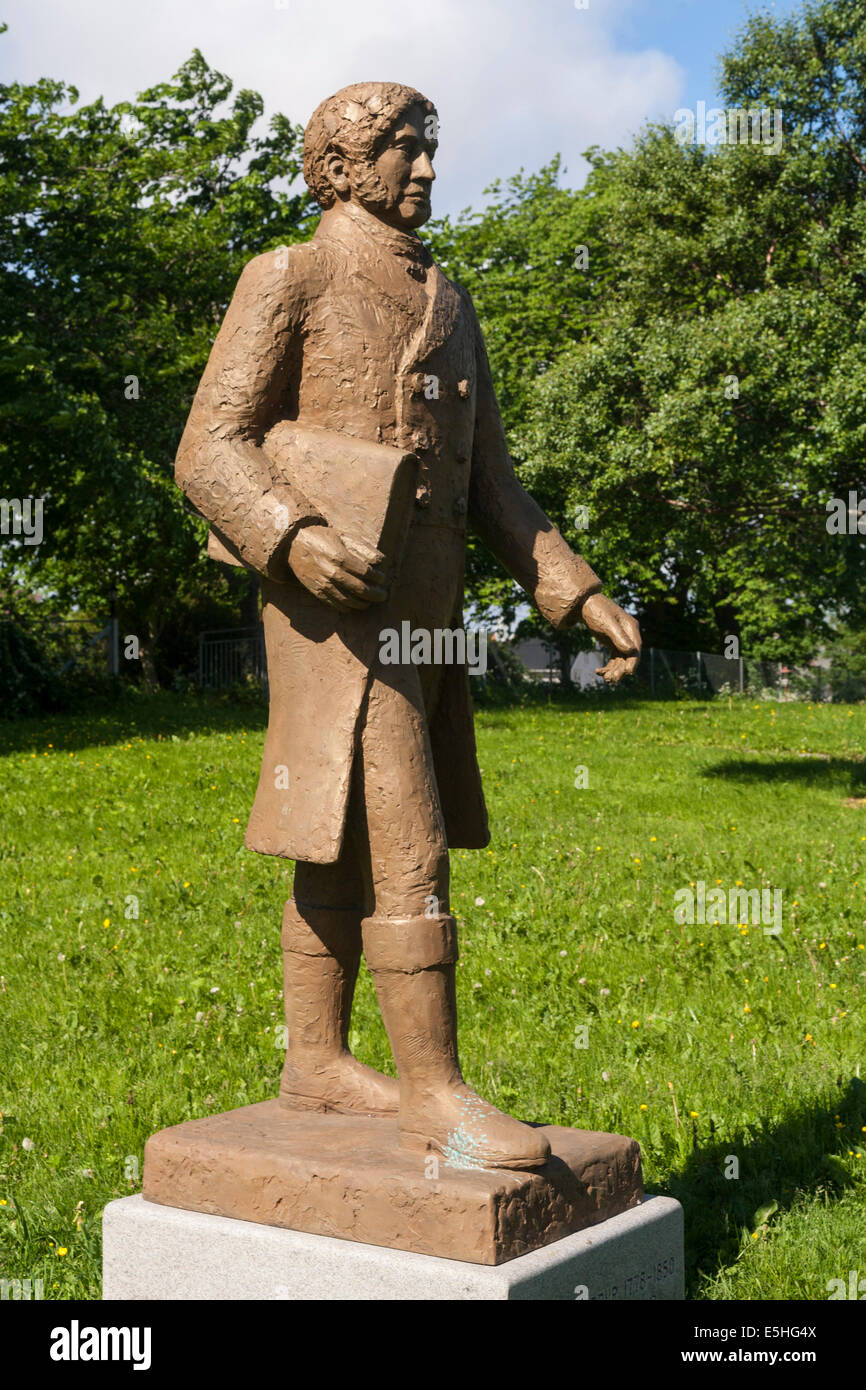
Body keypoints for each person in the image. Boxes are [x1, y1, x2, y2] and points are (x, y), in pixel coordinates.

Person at [175, 81, 641, 1170]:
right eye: (397, 150)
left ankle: (315, 1063)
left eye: (428, 148)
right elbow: (208, 445)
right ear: (339, 168)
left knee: (333, 829)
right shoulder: (289, 276)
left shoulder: (453, 300)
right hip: (330, 607)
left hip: (422, 622)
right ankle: (432, 1092)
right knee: (402, 830)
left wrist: (575, 592)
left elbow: (491, 487)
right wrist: (289, 536)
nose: (423, 168)